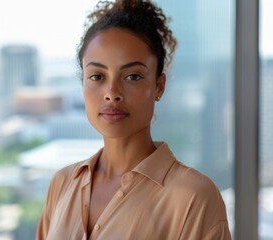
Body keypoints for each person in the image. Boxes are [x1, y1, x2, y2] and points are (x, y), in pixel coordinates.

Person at [36, 0, 231, 239]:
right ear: (83, 84)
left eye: (133, 76)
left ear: (159, 86)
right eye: (97, 76)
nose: (112, 92)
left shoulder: (194, 197)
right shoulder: (62, 184)